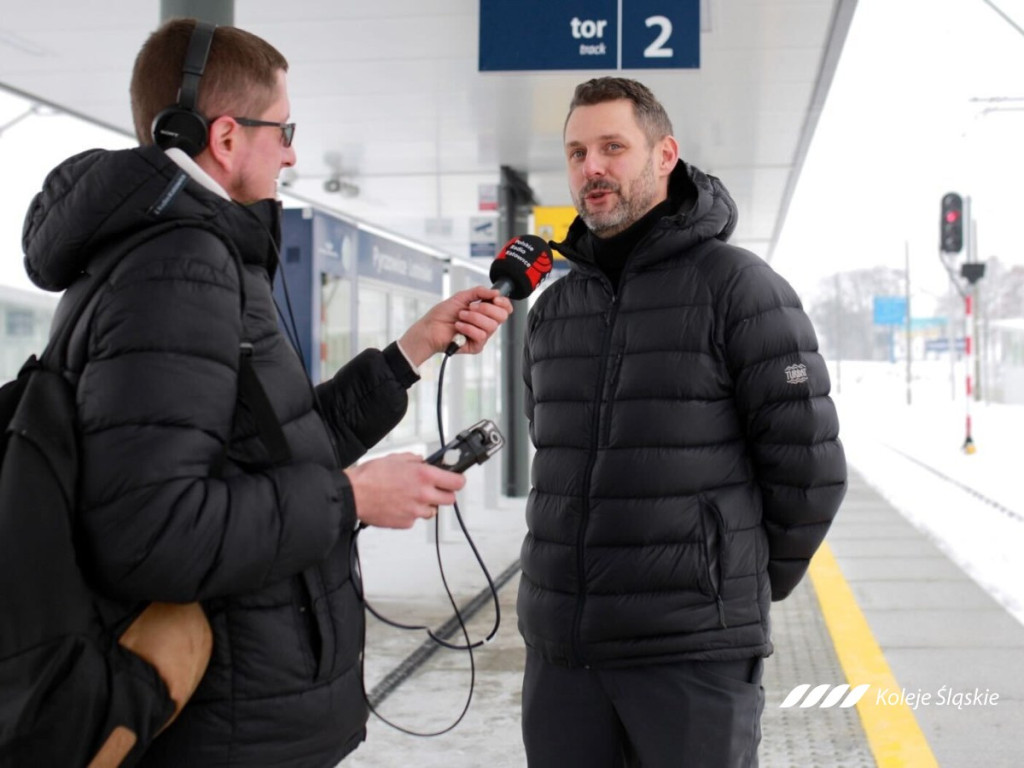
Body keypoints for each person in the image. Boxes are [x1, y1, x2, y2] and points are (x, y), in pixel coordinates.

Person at [20, 18, 512, 768]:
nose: (291, 151)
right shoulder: (180, 267)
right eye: (284, 129)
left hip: (243, 709)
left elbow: (269, 447)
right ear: (223, 137)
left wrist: (412, 350)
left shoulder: (183, 253)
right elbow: (153, 533)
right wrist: (351, 498)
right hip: (226, 722)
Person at [516, 77, 847, 767]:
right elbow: (553, 451)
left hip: (690, 658)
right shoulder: (553, 310)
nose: (592, 168)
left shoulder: (740, 288)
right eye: (577, 152)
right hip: (563, 658)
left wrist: (727, 584)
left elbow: (810, 472)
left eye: (613, 147)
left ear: (665, 155)